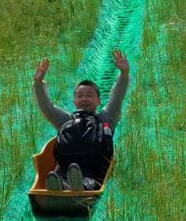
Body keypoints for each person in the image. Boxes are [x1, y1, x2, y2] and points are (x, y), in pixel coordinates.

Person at [33, 49, 130, 191]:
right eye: (80, 95)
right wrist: (38, 83)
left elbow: (117, 98)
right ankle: (62, 186)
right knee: (61, 177)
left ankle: (77, 187)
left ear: (98, 100)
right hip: (65, 170)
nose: (84, 99)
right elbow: (47, 108)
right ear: (74, 101)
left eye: (89, 95)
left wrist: (124, 74)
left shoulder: (106, 118)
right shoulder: (66, 121)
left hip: (93, 172)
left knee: (88, 182)